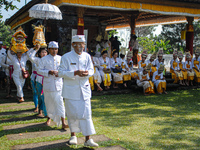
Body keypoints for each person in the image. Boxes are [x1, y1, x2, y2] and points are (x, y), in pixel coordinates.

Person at [58, 35, 99, 147]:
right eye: (78, 44)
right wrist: (74, 73)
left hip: (84, 90)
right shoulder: (66, 57)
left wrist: (87, 73)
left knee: (87, 114)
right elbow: (60, 73)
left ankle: (88, 139)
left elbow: (91, 69)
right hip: (71, 91)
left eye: (82, 44)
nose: (81, 46)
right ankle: (73, 135)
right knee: (72, 114)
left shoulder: (87, 56)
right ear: (73, 45)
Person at [37, 41, 68, 128]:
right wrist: (48, 72)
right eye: (52, 49)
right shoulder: (44, 59)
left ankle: (63, 122)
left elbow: (65, 70)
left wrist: (60, 73)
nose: (54, 51)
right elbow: (39, 70)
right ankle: (49, 118)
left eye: (56, 49)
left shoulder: (61, 58)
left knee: (60, 103)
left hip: (59, 85)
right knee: (49, 103)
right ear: (49, 49)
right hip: (48, 85)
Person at [7, 27, 30, 102]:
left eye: (21, 52)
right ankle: (22, 98)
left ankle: (18, 96)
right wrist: (11, 45)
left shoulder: (24, 57)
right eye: (18, 52)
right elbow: (8, 53)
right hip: (16, 74)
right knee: (19, 86)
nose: (19, 54)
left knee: (21, 86)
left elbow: (29, 53)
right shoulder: (13, 58)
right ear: (17, 53)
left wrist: (25, 46)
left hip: (23, 73)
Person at [28, 44, 48, 117]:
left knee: (46, 96)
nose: (44, 54)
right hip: (39, 80)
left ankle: (46, 113)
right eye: (42, 52)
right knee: (40, 96)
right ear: (39, 54)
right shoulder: (37, 60)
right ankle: (40, 110)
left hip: (47, 79)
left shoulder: (49, 59)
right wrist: (36, 49)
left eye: (45, 52)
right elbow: (30, 56)